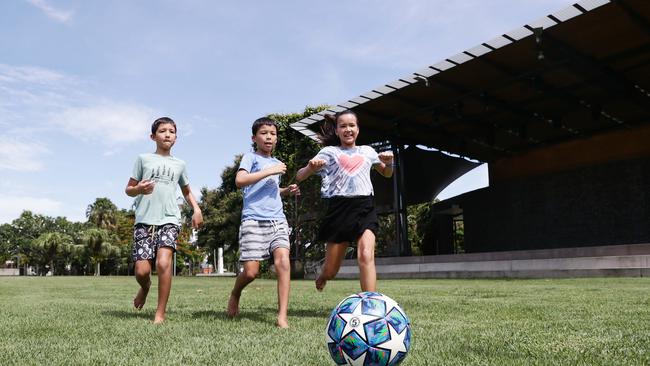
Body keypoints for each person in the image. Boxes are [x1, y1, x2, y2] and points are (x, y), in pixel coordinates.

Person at [296, 110, 393, 292]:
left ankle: (369, 305)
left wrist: (389, 163)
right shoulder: (329, 152)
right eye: (343, 126)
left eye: (352, 125)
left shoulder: (368, 151)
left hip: (365, 206)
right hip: (339, 209)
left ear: (358, 129)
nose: (348, 129)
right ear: (337, 131)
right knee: (332, 270)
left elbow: (387, 173)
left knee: (365, 255)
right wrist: (310, 167)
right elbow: (300, 176)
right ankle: (324, 275)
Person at [125, 117, 203, 324]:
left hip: (170, 219)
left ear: (176, 138)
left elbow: (187, 192)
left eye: (171, 131)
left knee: (163, 262)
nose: (167, 134)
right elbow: (128, 190)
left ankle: (160, 313)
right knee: (142, 271)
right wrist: (139, 189)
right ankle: (145, 287)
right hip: (144, 220)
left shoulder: (180, 164)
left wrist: (196, 208)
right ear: (153, 136)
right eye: (162, 131)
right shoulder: (143, 159)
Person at [226, 117, 299, 328]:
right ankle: (235, 292)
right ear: (254, 137)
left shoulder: (277, 163)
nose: (269, 137)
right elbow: (240, 181)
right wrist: (269, 171)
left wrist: (287, 191)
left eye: (273, 134)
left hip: (277, 219)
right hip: (253, 220)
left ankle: (282, 316)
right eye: (264, 133)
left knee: (283, 263)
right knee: (250, 272)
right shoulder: (250, 158)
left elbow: (272, 191)